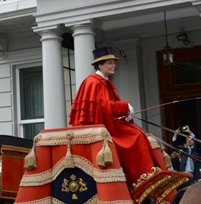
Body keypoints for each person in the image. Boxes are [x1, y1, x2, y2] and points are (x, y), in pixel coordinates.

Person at [68, 47, 165, 189]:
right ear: (100, 65)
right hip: (101, 128)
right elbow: (102, 107)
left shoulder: (106, 82)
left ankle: (147, 173)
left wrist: (124, 113)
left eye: (113, 62)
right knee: (136, 136)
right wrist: (124, 107)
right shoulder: (93, 82)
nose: (114, 65)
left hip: (109, 123)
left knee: (141, 133)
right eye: (110, 63)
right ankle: (141, 176)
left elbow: (109, 108)